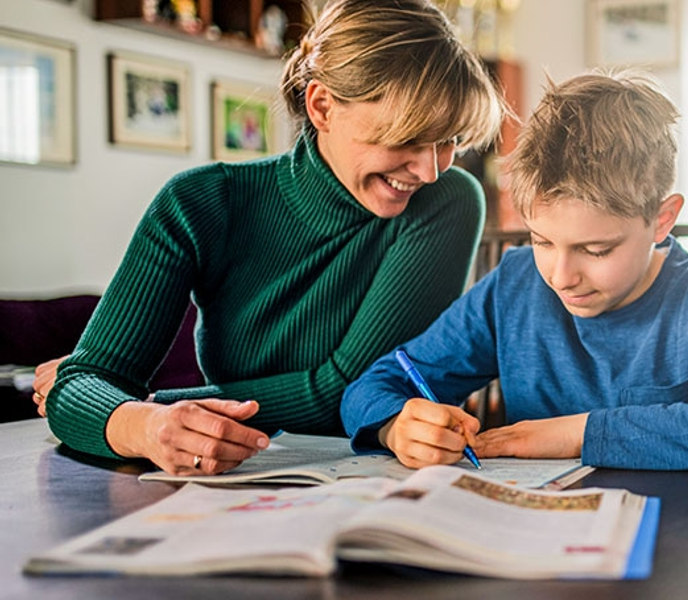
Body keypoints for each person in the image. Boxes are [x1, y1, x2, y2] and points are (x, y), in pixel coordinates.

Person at [38, 0, 504, 475]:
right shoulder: (199, 204)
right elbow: (83, 386)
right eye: (406, 139)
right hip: (236, 479)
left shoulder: (448, 200)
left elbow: (345, 390)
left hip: (380, 479)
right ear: (322, 106)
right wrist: (144, 423)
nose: (430, 169)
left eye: (449, 141)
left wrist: (145, 405)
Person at [341, 71, 688, 470]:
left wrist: (580, 431)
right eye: (541, 240)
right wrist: (395, 424)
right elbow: (374, 386)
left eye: (595, 249)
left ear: (661, 219)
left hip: (679, 545)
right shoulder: (513, 286)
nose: (560, 275)